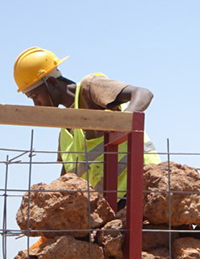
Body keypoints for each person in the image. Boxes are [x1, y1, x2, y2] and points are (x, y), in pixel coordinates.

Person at [13, 46, 160, 191]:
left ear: (51, 82)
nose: (36, 104)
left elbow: (143, 93)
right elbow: (67, 179)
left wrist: (123, 123)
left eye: (35, 96)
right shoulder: (65, 133)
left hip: (143, 189)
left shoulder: (89, 89)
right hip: (109, 206)